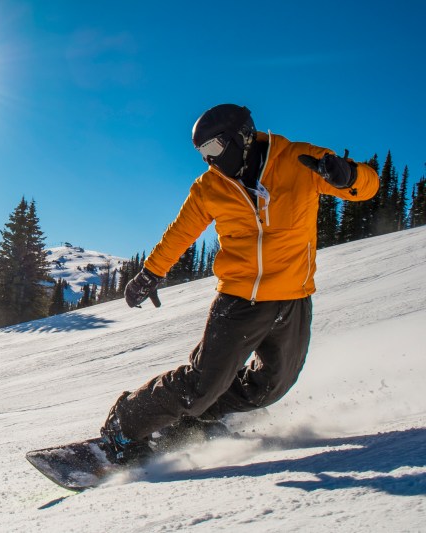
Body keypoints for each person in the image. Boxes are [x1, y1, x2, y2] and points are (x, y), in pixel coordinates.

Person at [100, 103, 379, 463]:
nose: (209, 160)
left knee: (269, 388)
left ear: (241, 138)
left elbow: (367, 188)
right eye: (202, 153)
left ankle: (195, 421)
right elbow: (181, 232)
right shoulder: (210, 187)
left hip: (293, 296)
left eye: (213, 148)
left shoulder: (300, 160)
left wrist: (349, 176)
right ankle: (124, 424)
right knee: (201, 385)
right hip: (239, 298)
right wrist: (150, 273)